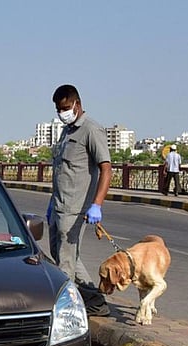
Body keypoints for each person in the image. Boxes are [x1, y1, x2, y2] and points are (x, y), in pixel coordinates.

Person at [48, 84, 112, 317]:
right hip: (59, 204)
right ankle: (94, 299)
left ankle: (66, 311)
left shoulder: (91, 130)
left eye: (65, 108)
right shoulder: (67, 131)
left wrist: (97, 204)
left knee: (65, 261)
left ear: (77, 104)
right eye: (58, 109)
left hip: (75, 208)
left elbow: (106, 169)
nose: (62, 113)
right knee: (63, 254)